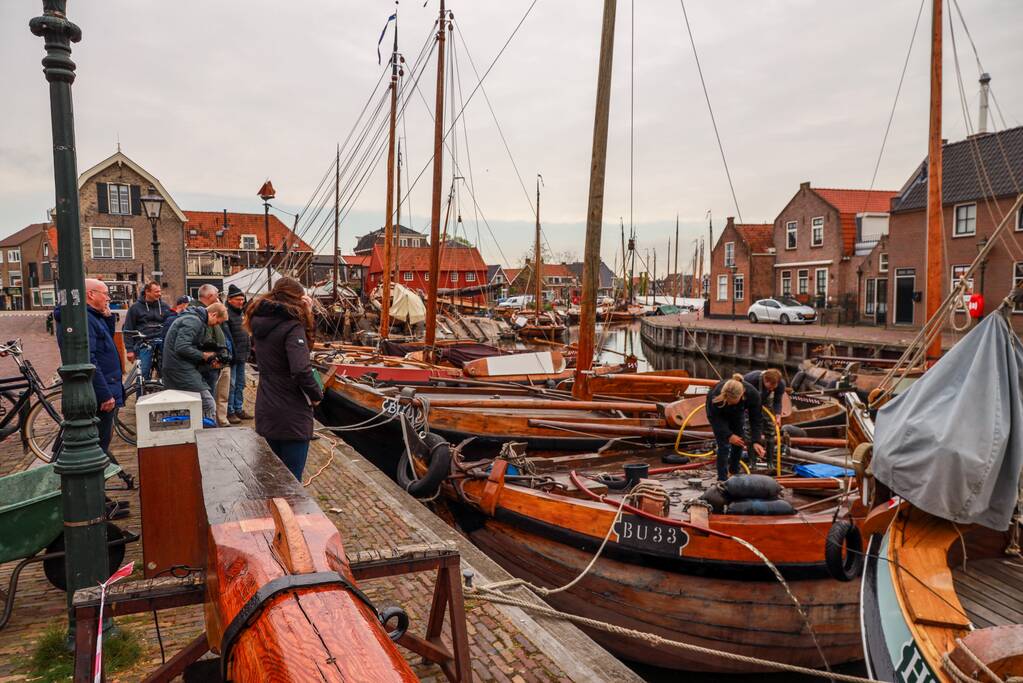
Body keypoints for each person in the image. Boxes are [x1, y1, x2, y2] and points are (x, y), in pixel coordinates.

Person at [244, 277, 323, 480]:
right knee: (291, 480)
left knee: (271, 478)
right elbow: (301, 368)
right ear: (297, 299)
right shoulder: (292, 326)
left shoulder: (259, 322)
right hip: (291, 411)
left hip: (266, 406)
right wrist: (316, 395)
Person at [54, 279, 124, 460]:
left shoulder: (92, 316)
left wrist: (107, 318)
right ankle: (90, 485)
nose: (108, 298)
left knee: (100, 441)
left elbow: (104, 341)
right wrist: (105, 394)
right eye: (105, 293)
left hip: (103, 386)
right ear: (91, 294)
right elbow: (89, 359)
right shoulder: (83, 320)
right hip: (97, 392)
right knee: (96, 444)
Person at [162, 301, 229, 421]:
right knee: (208, 404)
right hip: (179, 369)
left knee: (185, 407)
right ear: (213, 314)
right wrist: (204, 356)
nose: (216, 325)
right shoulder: (194, 321)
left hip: (177, 366)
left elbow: (188, 345)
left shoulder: (194, 319)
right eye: (218, 322)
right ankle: (209, 437)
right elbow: (182, 347)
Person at [705, 373, 766, 481]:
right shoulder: (716, 395)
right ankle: (722, 478)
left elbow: (756, 419)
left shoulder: (753, 395)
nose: (729, 402)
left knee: (740, 442)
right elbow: (715, 419)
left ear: (742, 395)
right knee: (723, 446)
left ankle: (734, 472)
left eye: (731, 401)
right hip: (719, 414)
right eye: (727, 400)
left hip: (737, 413)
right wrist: (728, 435)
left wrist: (756, 440)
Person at [195, 284, 233, 427]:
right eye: (217, 295)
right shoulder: (200, 317)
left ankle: (215, 422)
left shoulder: (213, 312)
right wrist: (212, 355)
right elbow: (201, 342)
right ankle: (209, 428)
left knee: (217, 394)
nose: (218, 298)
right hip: (208, 363)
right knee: (208, 400)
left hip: (215, 360)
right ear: (210, 296)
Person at [122, 282, 170, 379]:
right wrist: (129, 350)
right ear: (147, 292)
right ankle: (141, 392)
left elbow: (170, 325)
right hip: (143, 342)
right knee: (143, 372)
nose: (159, 294)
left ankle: (165, 388)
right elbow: (128, 329)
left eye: (160, 291)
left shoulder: (165, 307)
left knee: (168, 370)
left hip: (161, 341)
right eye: (156, 292)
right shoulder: (135, 308)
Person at [225, 284, 252, 423]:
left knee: (240, 384)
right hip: (233, 357)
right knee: (232, 384)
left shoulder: (240, 314)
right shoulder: (227, 314)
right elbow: (228, 337)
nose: (241, 302)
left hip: (242, 355)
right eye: (238, 299)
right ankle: (230, 411)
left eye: (242, 299)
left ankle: (238, 408)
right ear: (229, 300)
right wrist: (232, 354)